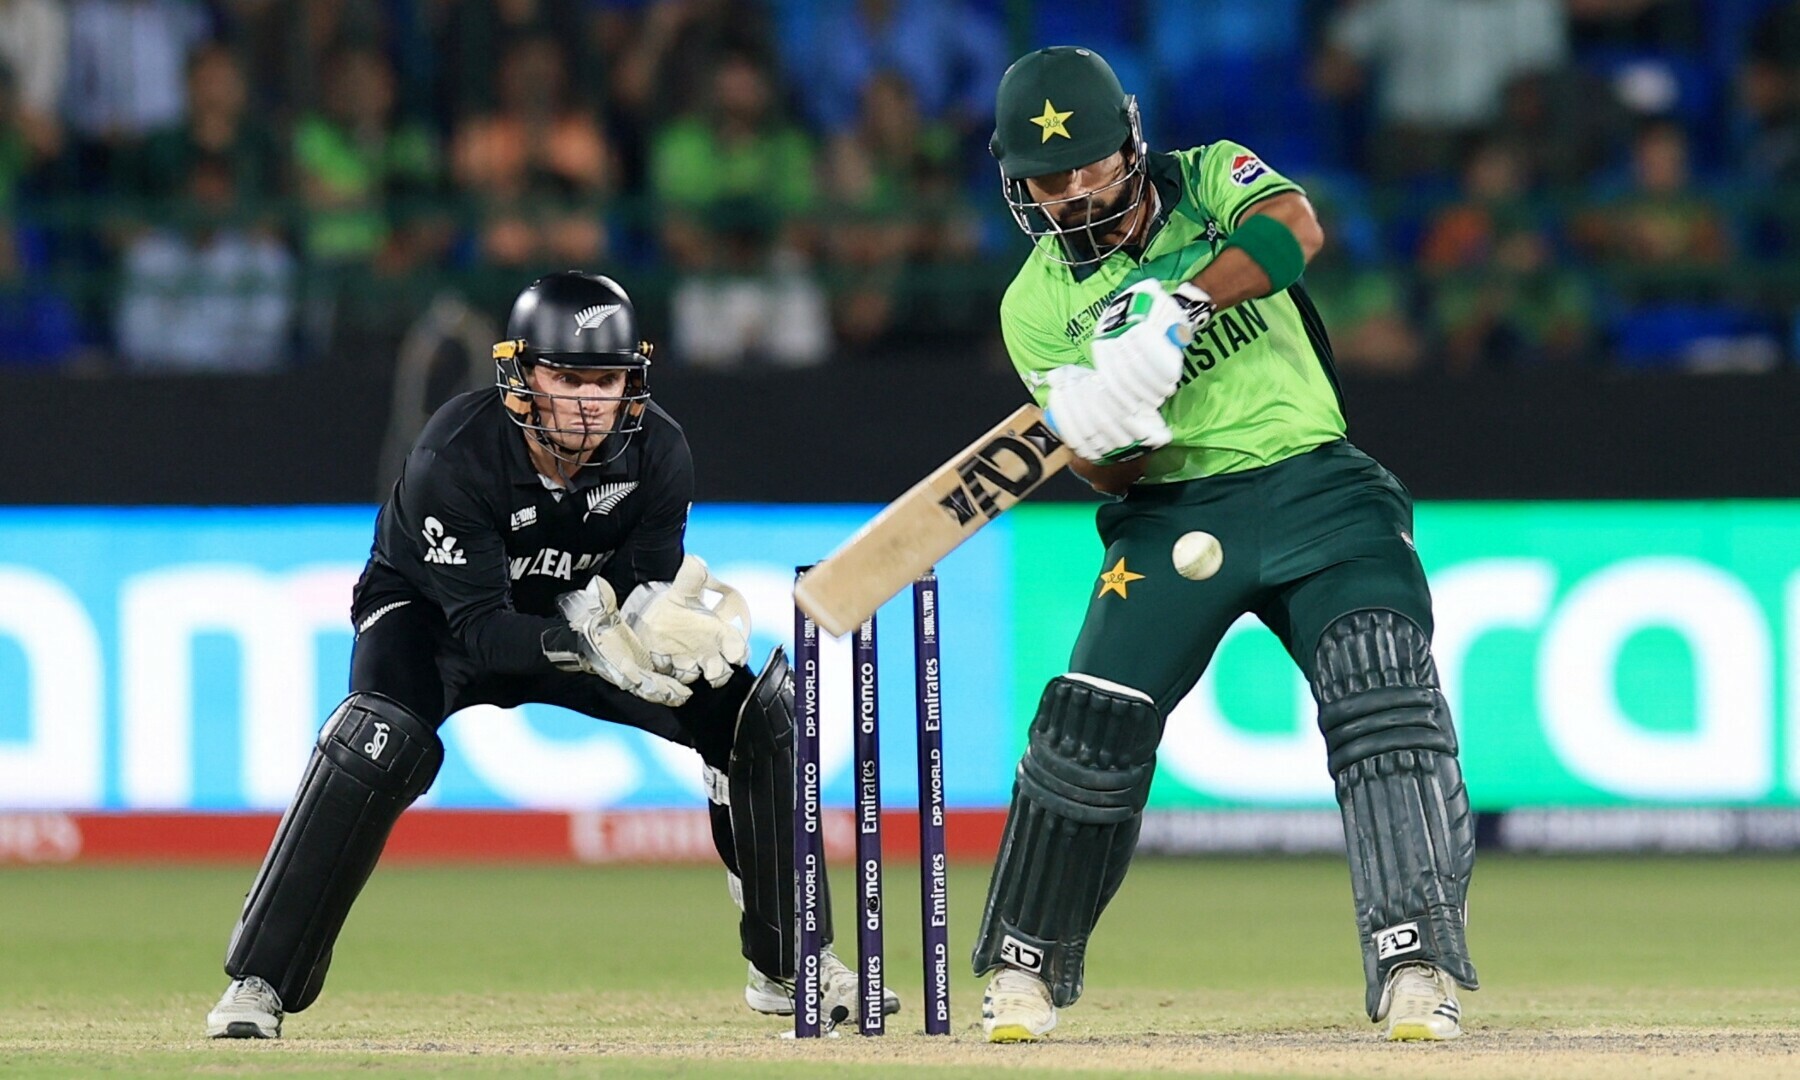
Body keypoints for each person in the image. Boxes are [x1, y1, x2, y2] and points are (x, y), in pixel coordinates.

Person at [205, 271, 895, 1038]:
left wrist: (652, 633)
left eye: (606, 379)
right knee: (376, 741)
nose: (588, 402)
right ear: (521, 375)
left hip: (589, 625)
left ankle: (789, 963)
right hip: (432, 620)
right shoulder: (455, 454)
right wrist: (587, 644)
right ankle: (260, 981)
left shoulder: (659, 452)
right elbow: (482, 635)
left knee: (754, 713)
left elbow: (641, 598)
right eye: (567, 376)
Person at [972, 48, 1477, 1043]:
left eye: (1087, 169)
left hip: (1316, 485)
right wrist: (1108, 426)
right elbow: (1104, 472)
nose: (1070, 195)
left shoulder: (1206, 179)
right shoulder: (1035, 305)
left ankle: (1415, 963)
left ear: (1130, 144)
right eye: (1046, 179)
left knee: (1382, 689)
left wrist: (1182, 305)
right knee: (1087, 728)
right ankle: (1023, 969)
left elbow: (1295, 229)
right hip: (1166, 513)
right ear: (1013, 180)